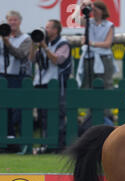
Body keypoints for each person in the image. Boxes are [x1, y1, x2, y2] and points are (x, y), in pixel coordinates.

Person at [29, 19, 72, 152]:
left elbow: (57, 60)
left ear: (56, 30)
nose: (45, 30)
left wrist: (45, 47)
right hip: (40, 83)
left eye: (48, 28)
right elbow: (31, 59)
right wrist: (34, 45)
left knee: (56, 115)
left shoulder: (63, 43)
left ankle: (57, 145)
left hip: (56, 84)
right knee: (42, 115)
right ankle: (44, 144)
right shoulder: (42, 43)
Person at [0, 10, 32, 146]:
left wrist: (8, 43)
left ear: (19, 22)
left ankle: (15, 138)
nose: (12, 23)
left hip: (17, 76)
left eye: (15, 20)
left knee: (16, 109)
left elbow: (21, 54)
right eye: (10, 20)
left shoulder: (25, 38)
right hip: (2, 75)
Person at [76, 0, 117, 89]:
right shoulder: (89, 22)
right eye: (93, 10)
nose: (93, 12)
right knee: (87, 82)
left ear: (102, 11)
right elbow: (75, 20)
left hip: (104, 57)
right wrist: (81, 7)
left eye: (96, 10)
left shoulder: (109, 25)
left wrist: (91, 43)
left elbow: (107, 44)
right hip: (89, 56)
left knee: (106, 82)